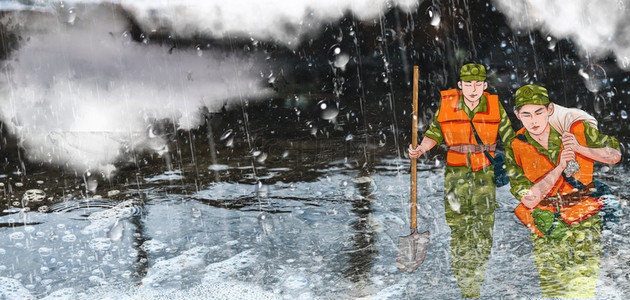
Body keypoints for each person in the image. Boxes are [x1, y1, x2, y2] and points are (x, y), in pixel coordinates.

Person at [408, 63, 515, 298]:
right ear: (460, 86)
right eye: (468, 84)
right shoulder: (448, 106)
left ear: (485, 86)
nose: (473, 88)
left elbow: (510, 137)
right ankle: (464, 280)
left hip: (484, 172)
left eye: (478, 84)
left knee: (483, 228)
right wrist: (420, 149)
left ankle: (476, 277)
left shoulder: (495, 107)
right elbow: (435, 132)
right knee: (459, 227)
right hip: (455, 173)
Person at [507, 84, 621, 298]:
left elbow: (614, 155)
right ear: (517, 115)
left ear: (550, 110)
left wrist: (580, 149)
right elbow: (529, 199)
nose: (534, 120)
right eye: (526, 114)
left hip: (583, 218)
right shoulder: (516, 145)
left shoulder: (577, 130)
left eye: (539, 112)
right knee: (553, 291)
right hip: (545, 222)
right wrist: (559, 168)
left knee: (583, 289)